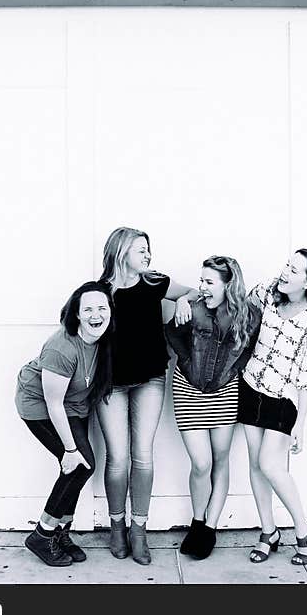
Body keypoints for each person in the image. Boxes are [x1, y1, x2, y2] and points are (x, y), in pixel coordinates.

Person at [96, 226, 196, 565]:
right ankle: (117, 526)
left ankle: (139, 528)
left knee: (142, 455)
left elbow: (197, 293)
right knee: (117, 458)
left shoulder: (157, 284)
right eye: (141, 249)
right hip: (110, 384)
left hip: (151, 379)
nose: (148, 255)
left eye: (148, 249)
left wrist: (181, 299)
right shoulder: (99, 292)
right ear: (121, 251)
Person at [238, 249, 307, 566]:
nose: (285, 272)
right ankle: (269, 533)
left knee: (271, 465)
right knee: (255, 464)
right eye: (286, 265)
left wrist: (300, 424)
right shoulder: (269, 292)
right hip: (250, 386)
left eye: (294, 271)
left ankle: (304, 530)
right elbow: (238, 308)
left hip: (282, 399)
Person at [165, 256, 261, 560]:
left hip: (225, 394)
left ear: (228, 285)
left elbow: (250, 349)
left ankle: (209, 527)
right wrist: (190, 365)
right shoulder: (191, 309)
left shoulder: (250, 315)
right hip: (188, 392)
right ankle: (197, 519)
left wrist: (233, 371)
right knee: (201, 464)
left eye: (209, 282)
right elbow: (173, 337)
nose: (202, 287)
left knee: (220, 460)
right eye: (201, 280)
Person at [15, 281, 115, 567]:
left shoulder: (104, 340)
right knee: (79, 464)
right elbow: (53, 403)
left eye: (102, 308)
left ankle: (60, 532)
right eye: (88, 309)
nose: (96, 315)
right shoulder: (61, 347)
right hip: (40, 407)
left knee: (81, 468)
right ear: (77, 315)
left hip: (73, 406)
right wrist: (69, 450)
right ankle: (42, 534)